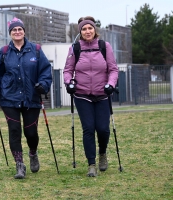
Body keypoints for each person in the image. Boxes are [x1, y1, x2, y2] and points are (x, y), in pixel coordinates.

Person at [0, 17, 52, 179]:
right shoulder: (4, 53)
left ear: (24, 31)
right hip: (9, 98)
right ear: (10, 33)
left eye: (19, 29)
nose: (17, 32)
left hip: (32, 98)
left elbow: (45, 71)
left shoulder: (35, 50)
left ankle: (33, 153)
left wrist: (43, 85)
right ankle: (19, 165)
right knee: (14, 131)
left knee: (31, 133)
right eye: (14, 30)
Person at [63, 16, 119, 177]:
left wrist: (111, 84)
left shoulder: (104, 46)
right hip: (82, 95)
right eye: (84, 29)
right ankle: (91, 164)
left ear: (95, 30)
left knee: (103, 129)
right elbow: (68, 70)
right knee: (88, 129)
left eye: (90, 28)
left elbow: (113, 69)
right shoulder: (75, 48)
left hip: (102, 94)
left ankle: (102, 154)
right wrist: (69, 83)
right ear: (80, 32)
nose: (87, 31)